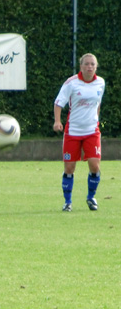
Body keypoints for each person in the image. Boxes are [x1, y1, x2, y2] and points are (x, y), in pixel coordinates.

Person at [53, 53, 105, 211]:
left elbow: (97, 103)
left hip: (91, 131)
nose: (90, 67)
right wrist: (57, 121)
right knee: (69, 168)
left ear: (96, 67)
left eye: (92, 64)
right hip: (73, 131)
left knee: (94, 166)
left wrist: (96, 118)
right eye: (87, 64)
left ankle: (91, 198)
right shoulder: (72, 83)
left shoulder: (100, 83)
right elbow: (58, 102)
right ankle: (67, 202)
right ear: (81, 66)